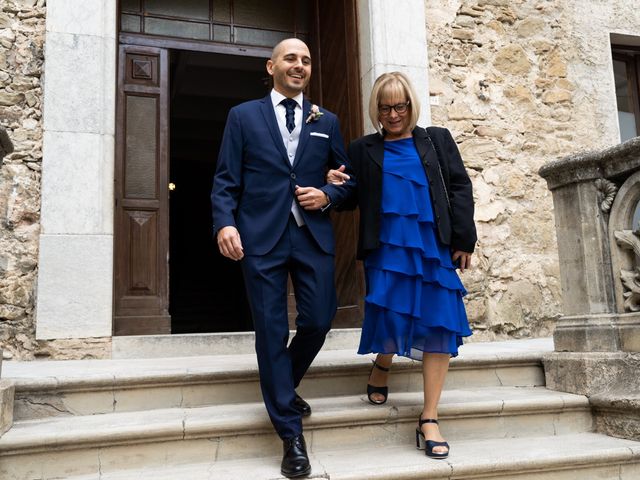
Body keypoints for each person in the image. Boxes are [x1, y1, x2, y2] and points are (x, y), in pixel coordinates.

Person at [211, 38, 354, 478]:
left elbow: (349, 184)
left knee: (318, 319)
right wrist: (225, 223)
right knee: (271, 331)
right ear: (271, 66)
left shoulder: (325, 121)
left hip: (310, 236)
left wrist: (328, 193)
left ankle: (280, 385)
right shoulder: (243, 116)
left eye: (306, 61)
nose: (299, 66)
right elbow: (225, 180)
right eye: (291, 59)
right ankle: (291, 435)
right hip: (261, 237)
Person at [327, 71, 476, 459]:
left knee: (440, 321)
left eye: (400, 106)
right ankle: (383, 361)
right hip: (388, 248)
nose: (393, 114)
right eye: (385, 107)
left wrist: (464, 239)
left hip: (433, 245)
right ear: (375, 109)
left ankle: (429, 417)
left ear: (411, 104)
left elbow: (459, 186)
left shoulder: (436, 140)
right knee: (394, 316)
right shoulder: (363, 148)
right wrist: (333, 186)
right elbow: (350, 196)